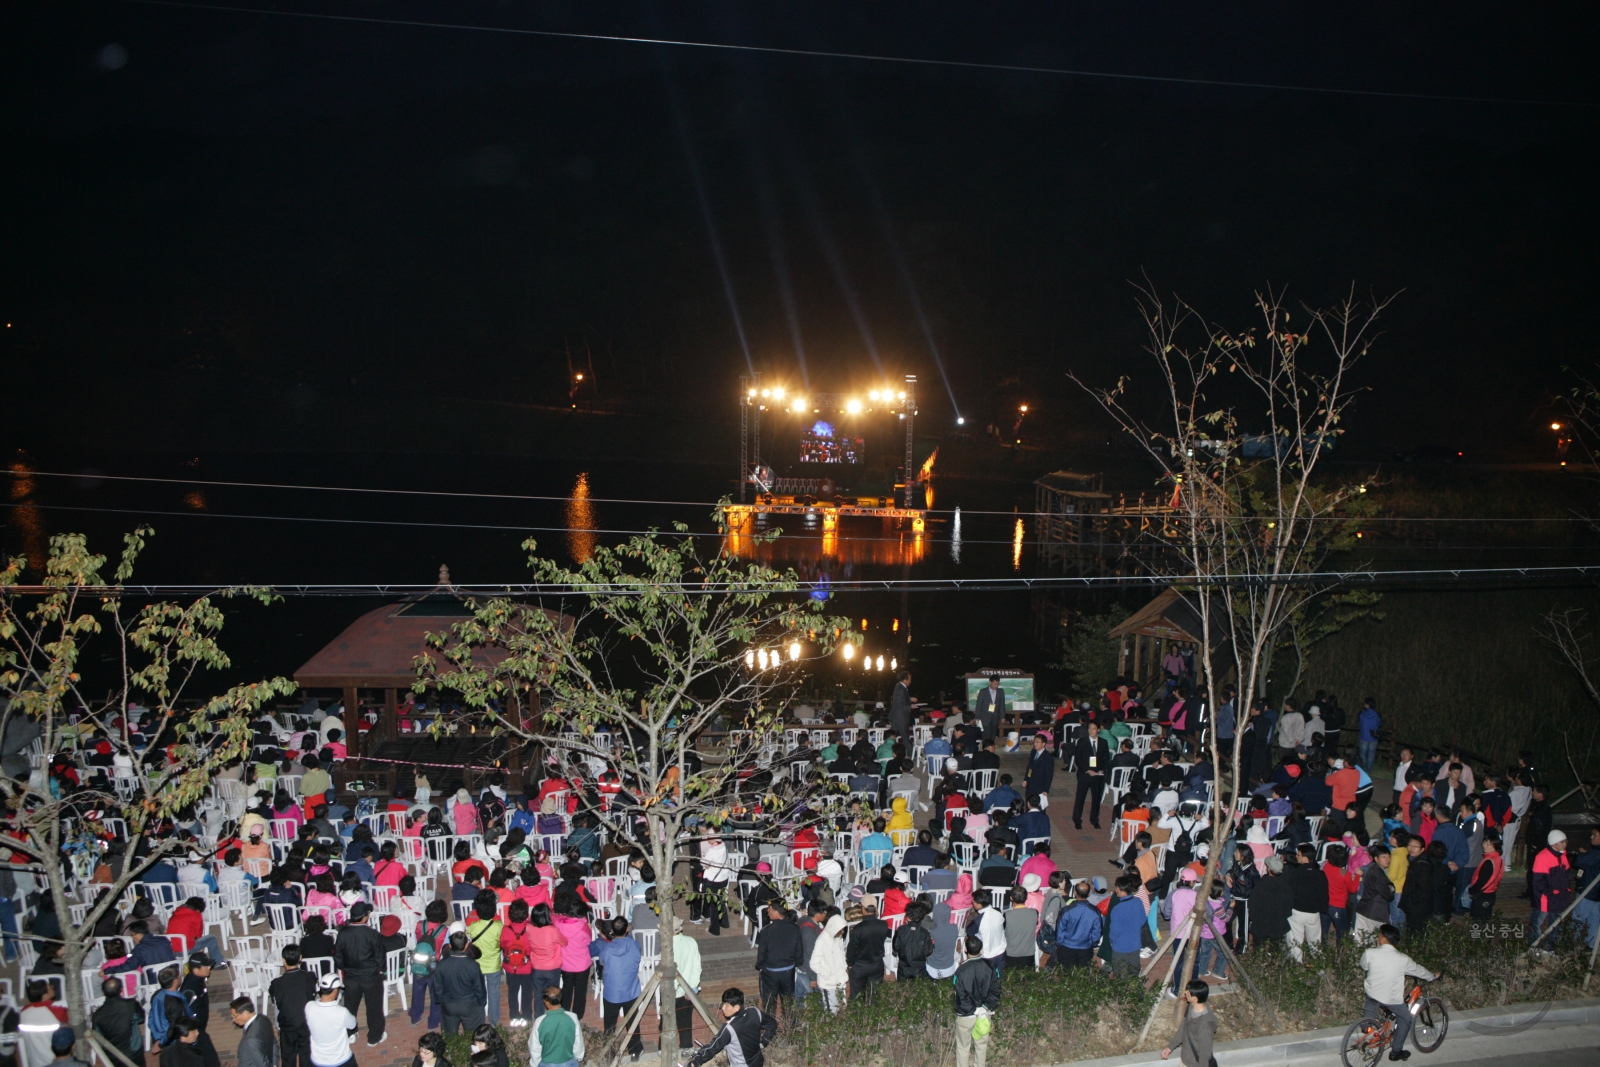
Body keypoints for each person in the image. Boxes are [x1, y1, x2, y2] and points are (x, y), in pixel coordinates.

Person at [1359, 925, 1438, 1061]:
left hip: (1372, 994)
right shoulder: (1403, 959)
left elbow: (1364, 966)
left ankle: (1366, 1026)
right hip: (1390, 999)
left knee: (1372, 1002)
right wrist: (1432, 976)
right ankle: (1396, 1052)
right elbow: (1418, 970)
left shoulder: (1370, 953)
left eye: (1380, 935)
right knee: (1406, 1019)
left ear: (1383, 938)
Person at [332, 902, 386, 1047]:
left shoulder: (342, 934)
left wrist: (345, 968)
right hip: (370, 976)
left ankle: (351, 1033)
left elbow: (337, 956)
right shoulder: (372, 934)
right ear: (364, 917)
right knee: (374, 1007)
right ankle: (374, 1037)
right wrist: (381, 969)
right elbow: (380, 955)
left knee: (350, 1006)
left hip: (351, 977)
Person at [591, 917, 643, 1060]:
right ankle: (635, 1050)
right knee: (632, 1021)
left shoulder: (607, 948)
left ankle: (609, 1053)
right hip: (631, 991)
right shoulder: (634, 945)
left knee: (610, 1025)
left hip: (611, 993)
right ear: (627, 929)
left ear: (612, 931)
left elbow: (601, 961)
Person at [686, 989, 777, 1067]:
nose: (723, 1008)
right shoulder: (754, 1012)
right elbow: (772, 1024)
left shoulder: (730, 1028)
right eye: (723, 1004)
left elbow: (713, 1047)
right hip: (758, 1062)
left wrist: (696, 1062)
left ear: (737, 1007)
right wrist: (764, 1042)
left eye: (726, 1005)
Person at [952, 935, 1001, 1067]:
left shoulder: (961, 970)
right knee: (981, 1046)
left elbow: (960, 996)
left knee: (963, 1047)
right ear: (981, 950)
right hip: (984, 1015)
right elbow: (996, 990)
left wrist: (973, 1009)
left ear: (966, 950)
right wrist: (984, 1007)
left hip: (966, 1016)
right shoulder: (991, 966)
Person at [269, 945, 317, 1067]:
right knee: (306, 1054)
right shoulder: (309, 977)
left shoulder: (277, 983)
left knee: (288, 1057)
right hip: (305, 1023)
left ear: (283, 960)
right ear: (300, 958)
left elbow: (275, 1002)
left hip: (287, 1025)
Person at [436, 931, 489, 1035]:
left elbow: (438, 986)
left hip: (449, 1005)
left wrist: (441, 1001)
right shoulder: (473, 965)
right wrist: (482, 1002)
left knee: (449, 1037)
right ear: (466, 945)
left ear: (450, 945)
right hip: (470, 1006)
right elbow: (479, 987)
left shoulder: (442, 964)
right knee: (473, 1036)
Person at [1160, 980, 1216, 1067]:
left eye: (1188, 992)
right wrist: (1170, 1047)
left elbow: (1205, 1053)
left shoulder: (1204, 1026)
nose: (1185, 992)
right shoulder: (1191, 1007)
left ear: (1195, 998)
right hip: (1185, 1060)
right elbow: (1183, 1027)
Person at [304, 975, 356, 1067]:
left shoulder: (309, 1006)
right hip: (341, 1060)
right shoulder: (341, 1012)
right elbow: (352, 1024)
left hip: (317, 1061)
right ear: (335, 991)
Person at [1532, 829, 1573, 943]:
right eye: (1562, 842)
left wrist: (1567, 890)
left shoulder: (1563, 856)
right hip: (1546, 899)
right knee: (1537, 923)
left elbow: (1566, 876)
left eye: (1565, 841)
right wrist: (1548, 893)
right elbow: (1538, 881)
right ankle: (1533, 947)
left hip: (1560, 897)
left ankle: (1551, 948)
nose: (1565, 844)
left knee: (1556, 925)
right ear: (1554, 843)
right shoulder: (1543, 857)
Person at [93, 977, 145, 1067]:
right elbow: (141, 1018)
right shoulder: (131, 1005)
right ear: (121, 989)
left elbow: (98, 1039)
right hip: (133, 1054)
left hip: (113, 1057)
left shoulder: (97, 1015)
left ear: (104, 992)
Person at [526, 986, 584, 1067]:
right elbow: (578, 1043)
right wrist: (578, 1057)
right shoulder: (572, 1017)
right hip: (569, 1062)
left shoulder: (539, 1021)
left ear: (546, 1002)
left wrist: (535, 1063)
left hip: (547, 1064)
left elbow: (534, 1047)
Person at [1070, 722, 1113, 830]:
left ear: (1098, 730)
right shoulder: (1082, 742)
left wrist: (1101, 770)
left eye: (1093, 728)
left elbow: (1106, 758)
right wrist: (1087, 770)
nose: (1091, 730)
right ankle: (1077, 820)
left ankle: (1094, 819)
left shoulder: (1103, 742)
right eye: (1089, 728)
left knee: (1096, 799)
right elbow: (1078, 758)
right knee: (1080, 798)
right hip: (1085, 774)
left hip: (1097, 775)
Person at [1055, 881, 1103, 969]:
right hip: (1085, 948)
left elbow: (1060, 930)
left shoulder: (1067, 910)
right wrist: (1093, 942)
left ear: (1075, 893)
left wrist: (1060, 944)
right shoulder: (1094, 911)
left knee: (1067, 974)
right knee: (1082, 975)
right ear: (1089, 893)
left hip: (1067, 947)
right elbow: (1097, 931)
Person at [1355, 846, 1397, 939]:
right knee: (1371, 941)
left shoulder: (1375, 869)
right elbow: (1389, 895)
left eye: (1388, 856)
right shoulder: (1377, 873)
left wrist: (1390, 886)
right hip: (1373, 912)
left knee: (1361, 940)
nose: (1387, 859)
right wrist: (1391, 888)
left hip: (1367, 910)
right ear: (1376, 858)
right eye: (1383, 857)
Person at [230, 996, 277, 1067]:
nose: (233, 1019)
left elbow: (262, 1064)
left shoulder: (251, 1039)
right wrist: (275, 1064)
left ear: (245, 1013)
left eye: (234, 1016)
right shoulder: (263, 1019)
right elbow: (274, 1044)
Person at [974, 676, 1005, 742]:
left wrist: (1002, 716)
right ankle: (985, 749)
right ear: (990, 682)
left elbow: (1002, 704)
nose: (996, 686)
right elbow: (979, 705)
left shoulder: (1000, 691)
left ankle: (991, 749)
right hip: (985, 717)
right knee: (986, 735)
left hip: (995, 716)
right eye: (995, 684)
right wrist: (977, 717)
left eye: (997, 684)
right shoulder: (983, 691)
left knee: (993, 735)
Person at [1024, 732, 1054, 799]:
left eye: (1038, 742)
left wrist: (1046, 789)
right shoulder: (1033, 752)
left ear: (1043, 744)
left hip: (1040, 785)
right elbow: (1030, 767)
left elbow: (1049, 775)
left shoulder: (1048, 757)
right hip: (1030, 783)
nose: (1035, 744)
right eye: (1034, 741)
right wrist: (1026, 779)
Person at [889, 669, 914, 741]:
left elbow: (901, 698)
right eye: (909, 679)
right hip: (901, 717)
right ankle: (911, 752)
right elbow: (899, 703)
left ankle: (886, 749)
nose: (910, 681)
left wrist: (910, 699)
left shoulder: (900, 686)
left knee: (891, 735)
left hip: (897, 716)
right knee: (905, 738)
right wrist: (910, 707)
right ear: (905, 680)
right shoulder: (901, 688)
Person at [1357, 698, 1381, 772]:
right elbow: (1379, 723)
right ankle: (1369, 770)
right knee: (1371, 755)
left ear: (1368, 705)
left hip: (1363, 737)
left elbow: (1360, 722)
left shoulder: (1362, 714)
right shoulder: (1377, 714)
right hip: (1373, 737)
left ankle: (1362, 769)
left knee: (1362, 755)